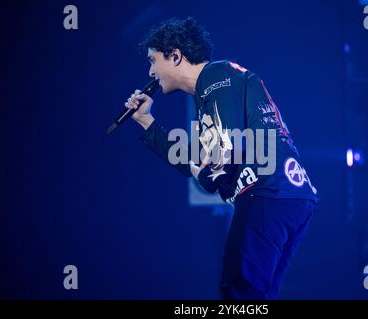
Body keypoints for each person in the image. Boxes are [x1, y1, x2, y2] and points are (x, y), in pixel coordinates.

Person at [124, 17, 318, 300]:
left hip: (266, 193)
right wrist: (146, 122)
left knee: (240, 293)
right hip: (289, 196)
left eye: (153, 60)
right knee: (257, 295)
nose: (151, 71)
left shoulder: (216, 78)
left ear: (175, 56)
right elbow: (192, 160)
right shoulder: (215, 87)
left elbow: (221, 158)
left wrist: (207, 177)